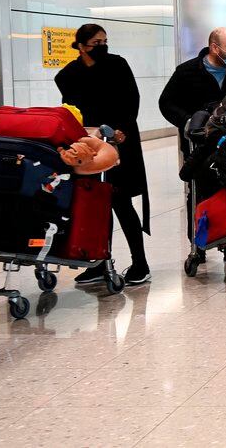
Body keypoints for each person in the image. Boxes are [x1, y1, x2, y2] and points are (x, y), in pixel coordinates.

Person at [55, 24, 151, 285]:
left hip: (120, 141)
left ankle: (140, 263)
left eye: (105, 41)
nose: (102, 47)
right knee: (95, 203)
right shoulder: (68, 75)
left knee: (120, 201)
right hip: (88, 145)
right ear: (81, 45)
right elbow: (71, 111)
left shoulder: (117, 65)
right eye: (96, 43)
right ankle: (99, 261)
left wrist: (121, 129)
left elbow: (132, 100)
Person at [159, 27, 226, 266]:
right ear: (215, 47)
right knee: (199, 192)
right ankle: (198, 243)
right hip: (199, 144)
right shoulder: (187, 72)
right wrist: (188, 122)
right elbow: (167, 102)